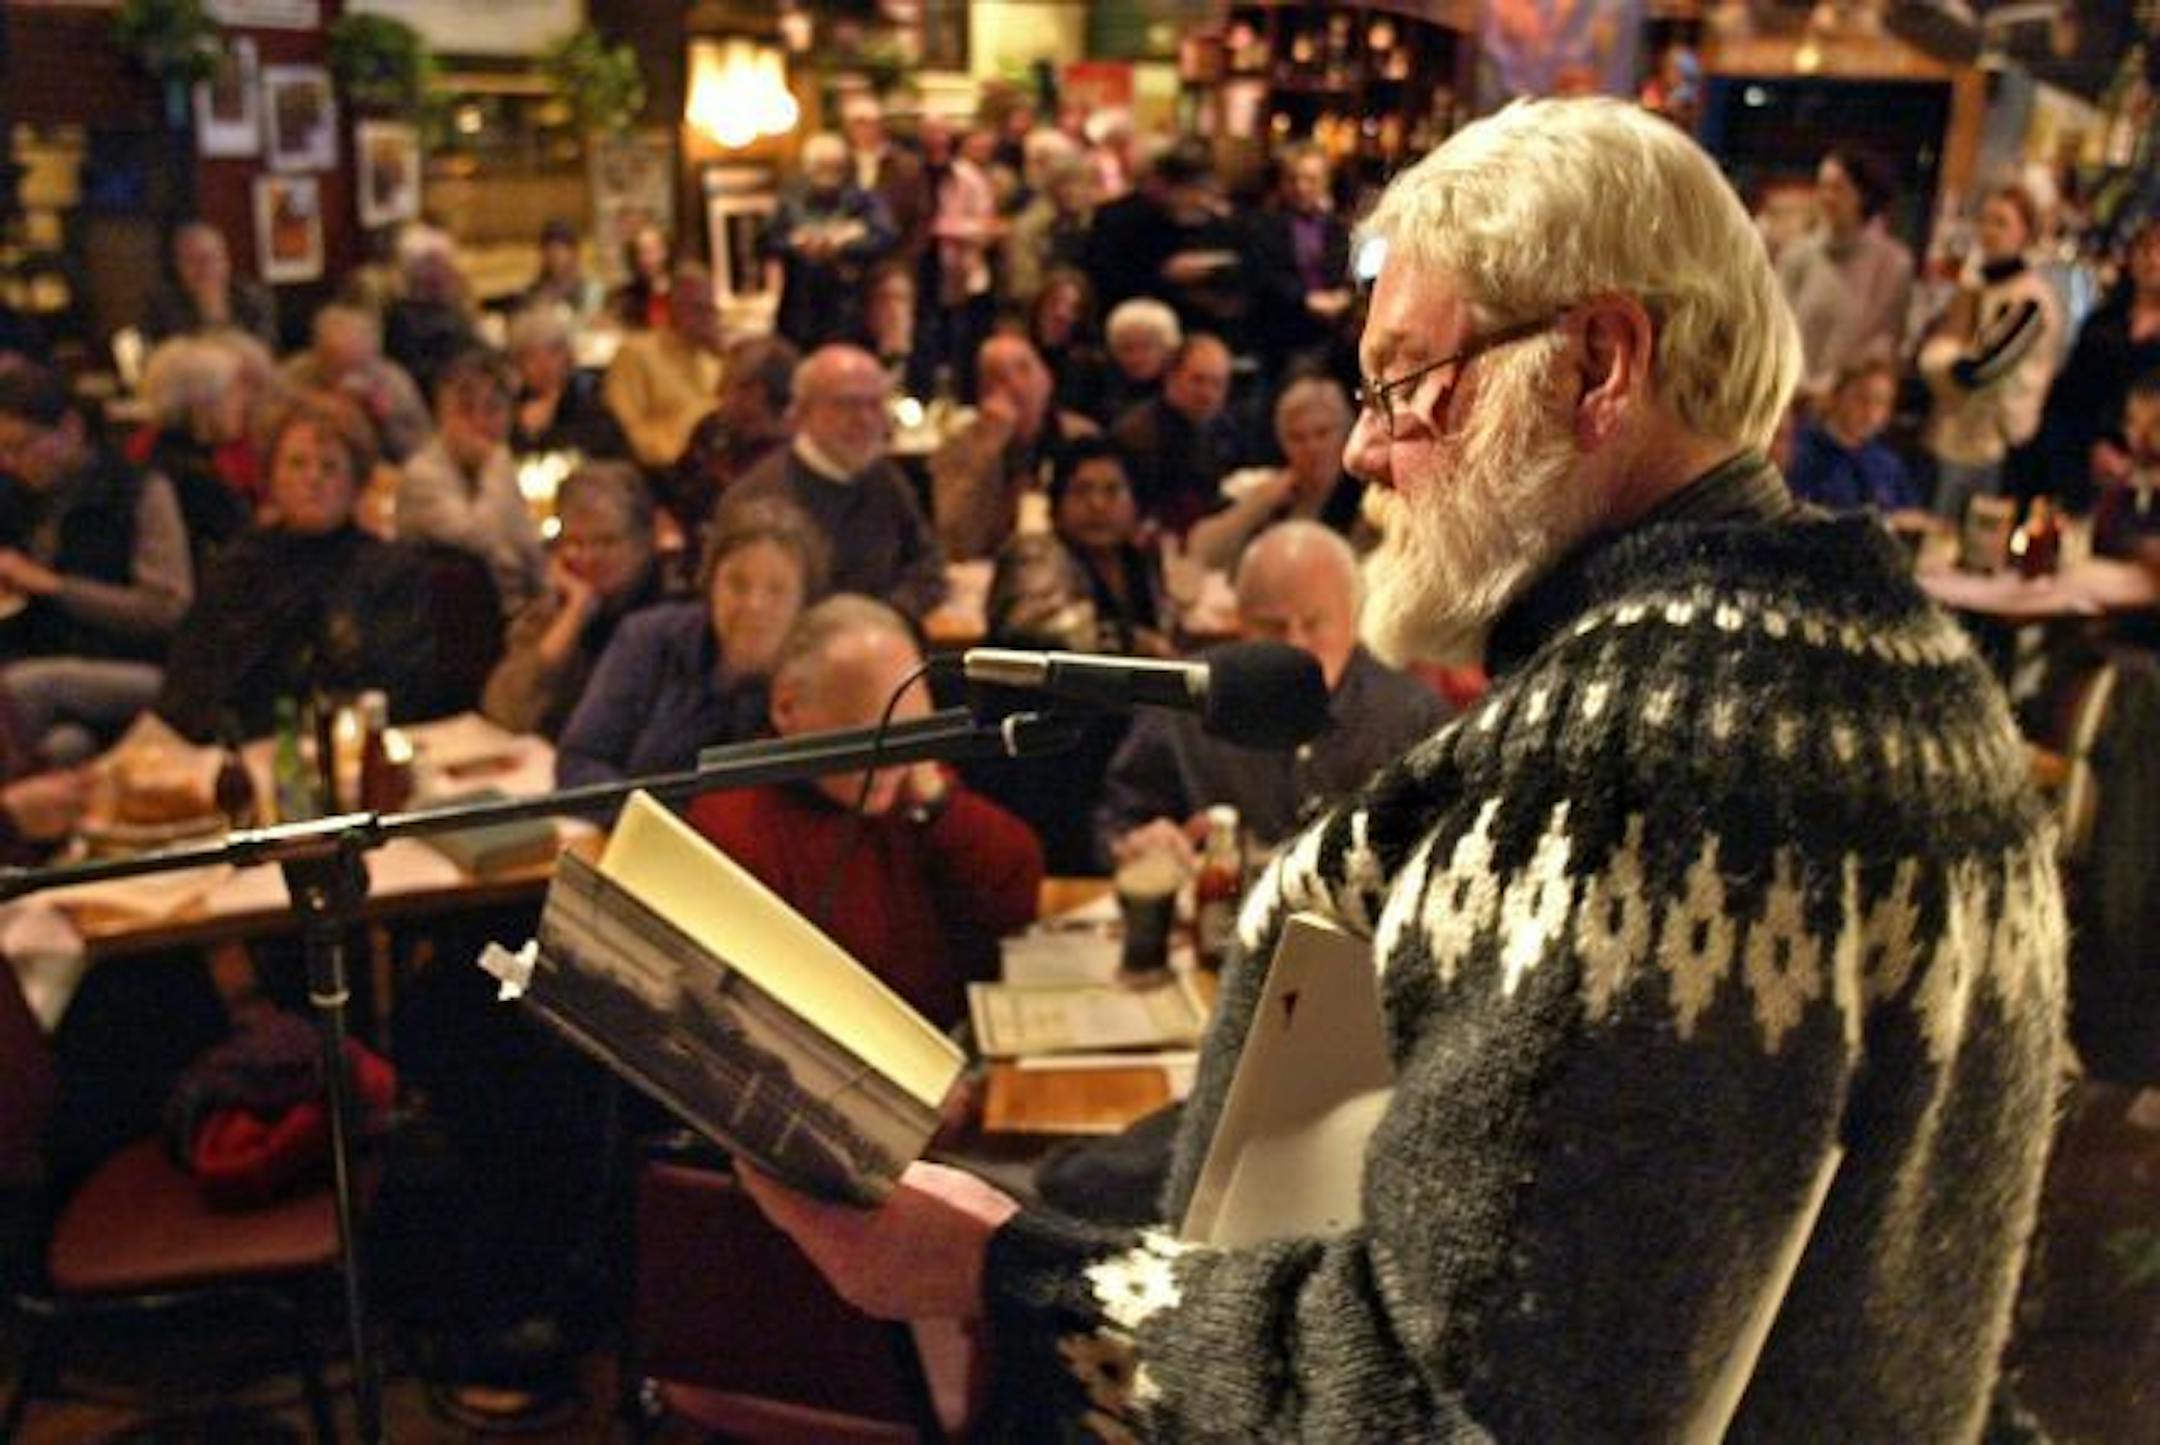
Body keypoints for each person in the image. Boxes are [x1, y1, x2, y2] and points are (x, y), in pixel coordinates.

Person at [736, 97, 2065, 1442]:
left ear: (1601, 364)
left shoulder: (1636, 771)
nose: (1369, 448)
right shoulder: (1928, 689)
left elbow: (1436, 1405)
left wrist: (1007, 1269)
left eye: (1408, 377)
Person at [684, 594, 1043, 1028]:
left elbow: (1014, 897)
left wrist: (938, 806)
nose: (893, 763)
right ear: (787, 707)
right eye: (868, 736)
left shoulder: (911, 786)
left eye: (911, 735)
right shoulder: (733, 821)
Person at [1098, 519, 1446, 867]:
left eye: (1313, 624)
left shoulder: (1412, 716)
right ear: (1240, 621)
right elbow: (1116, 822)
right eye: (1273, 627)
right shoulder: (1185, 700)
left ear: (1353, 621)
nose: (1296, 645)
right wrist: (1139, 843)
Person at [156, 392, 438, 741]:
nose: (313, 479)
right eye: (297, 464)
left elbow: (401, 687)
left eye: (329, 467)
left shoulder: (389, 571)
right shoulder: (239, 565)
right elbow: (189, 683)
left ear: (356, 484)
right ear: (271, 478)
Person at [554, 493, 824, 792]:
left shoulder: (816, 680)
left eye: (777, 590)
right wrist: (646, 823)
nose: (754, 605)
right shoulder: (647, 638)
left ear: (804, 602)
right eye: (737, 583)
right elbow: (580, 758)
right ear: (711, 584)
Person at [0, 363, 193, 761]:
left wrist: (55, 587)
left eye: (22, 445)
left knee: (22, 687)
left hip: (137, 666)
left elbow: (166, 608)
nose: (12, 462)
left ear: (71, 428)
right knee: (62, 746)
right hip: (48, 658)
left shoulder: (137, 491)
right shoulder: (21, 497)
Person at [727, 345, 946, 619]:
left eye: (875, 405)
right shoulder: (762, 497)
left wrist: (889, 614)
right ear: (802, 414)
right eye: (847, 405)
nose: (865, 419)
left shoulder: (883, 477)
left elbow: (928, 564)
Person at [482, 461, 666, 740]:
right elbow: (504, 712)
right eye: (575, 542)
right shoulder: (557, 607)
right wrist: (574, 614)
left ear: (643, 544)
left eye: (606, 542)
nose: (588, 558)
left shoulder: (670, 616)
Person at [1919, 184, 2061, 523]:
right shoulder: (1974, 286)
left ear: (2025, 232)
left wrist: (1936, 359)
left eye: (2001, 222)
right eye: (1984, 220)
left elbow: (1978, 371)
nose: (1989, 231)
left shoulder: (2030, 300)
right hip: (1950, 436)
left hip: (1991, 448)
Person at [2020, 217, 2160, 513]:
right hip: (2080, 465)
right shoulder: (2102, 323)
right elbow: (2068, 397)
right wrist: (2090, 447)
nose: (2154, 260)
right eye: (2146, 249)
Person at [397, 351, 547, 617]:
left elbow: (527, 547)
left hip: (512, 610)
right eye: (465, 410)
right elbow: (479, 540)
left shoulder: (492, 467)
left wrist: (546, 595)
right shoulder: (423, 476)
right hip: (455, 622)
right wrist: (496, 464)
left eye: (492, 409)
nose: (480, 423)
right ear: (440, 416)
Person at [930, 333, 1099, 560]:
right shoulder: (960, 446)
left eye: (1024, 369)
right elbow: (954, 542)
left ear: (1047, 379)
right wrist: (985, 453)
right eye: (997, 377)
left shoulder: (1082, 438)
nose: (1015, 384)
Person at [1187, 375, 1369, 569]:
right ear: (1282, 443)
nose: (1311, 447)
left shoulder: (1364, 498)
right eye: (1297, 438)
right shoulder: (1274, 493)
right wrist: (1258, 503)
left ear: (1345, 433)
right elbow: (1201, 553)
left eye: (1322, 433)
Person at [1777, 147, 1916, 399]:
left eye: (1838, 188)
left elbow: (1884, 342)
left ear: (1864, 195)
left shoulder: (1893, 264)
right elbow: (1779, 326)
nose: (1827, 197)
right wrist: (1799, 384)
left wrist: (1835, 386)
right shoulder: (1797, 255)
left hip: (1848, 407)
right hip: (1790, 398)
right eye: (1823, 187)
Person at [133, 334, 260, 572]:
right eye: (232, 393)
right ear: (202, 404)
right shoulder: (195, 479)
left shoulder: (158, 451)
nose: (244, 403)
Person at [763, 132, 898, 352]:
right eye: (820, 165)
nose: (827, 173)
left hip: (849, 308)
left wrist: (841, 247)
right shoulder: (790, 201)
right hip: (799, 310)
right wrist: (797, 244)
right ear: (807, 166)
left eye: (834, 165)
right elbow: (765, 241)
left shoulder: (862, 200)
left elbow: (886, 237)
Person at [1110, 332, 1244, 535]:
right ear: (1171, 377)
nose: (1207, 394)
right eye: (1198, 381)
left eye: (1217, 384)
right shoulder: (1137, 434)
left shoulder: (1224, 429)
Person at [668, 334, 800, 537]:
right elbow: (676, 493)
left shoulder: (796, 453)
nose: (718, 392)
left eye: (728, 382)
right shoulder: (711, 430)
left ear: (756, 392)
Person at [603, 263, 728, 471]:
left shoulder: (716, 358)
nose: (705, 318)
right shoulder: (637, 352)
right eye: (696, 308)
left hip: (717, 459)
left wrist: (725, 357)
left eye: (710, 309)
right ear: (672, 307)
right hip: (667, 466)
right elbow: (626, 425)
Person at [1248, 145, 1355, 380]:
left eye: (1311, 179)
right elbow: (1264, 276)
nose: (1301, 187)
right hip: (1284, 328)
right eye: (1293, 179)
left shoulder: (1338, 227)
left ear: (1325, 183)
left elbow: (1349, 272)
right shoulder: (1264, 224)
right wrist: (1307, 300)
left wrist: (1344, 296)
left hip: (1333, 330)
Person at [282, 304, 434, 463]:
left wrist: (388, 421)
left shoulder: (394, 381)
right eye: (339, 369)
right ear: (318, 358)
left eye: (362, 368)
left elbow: (422, 450)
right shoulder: (295, 378)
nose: (352, 379)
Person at [1784, 358, 1923, 515]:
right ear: (1836, 397)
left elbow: (1912, 515)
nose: (1870, 412)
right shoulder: (1798, 448)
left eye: (1881, 402)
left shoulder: (1888, 464)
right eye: (1862, 398)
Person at [505, 305, 628, 462]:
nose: (544, 366)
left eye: (553, 353)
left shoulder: (593, 392)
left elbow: (598, 444)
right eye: (531, 357)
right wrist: (525, 432)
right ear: (518, 365)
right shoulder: (511, 405)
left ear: (570, 356)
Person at [142, 221, 278, 349]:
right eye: (192, 260)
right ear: (178, 267)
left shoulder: (254, 299)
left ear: (226, 261)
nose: (204, 267)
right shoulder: (161, 307)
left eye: (211, 257)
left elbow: (264, 351)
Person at [1098, 297, 1181, 421]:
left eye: (1146, 347)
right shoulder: (1103, 387)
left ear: (1167, 348)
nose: (1136, 358)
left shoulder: (1180, 393)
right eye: (1127, 348)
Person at [521, 216, 607, 328]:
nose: (555, 257)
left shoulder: (590, 287)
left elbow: (591, 321)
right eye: (549, 251)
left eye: (560, 250)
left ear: (573, 253)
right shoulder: (536, 290)